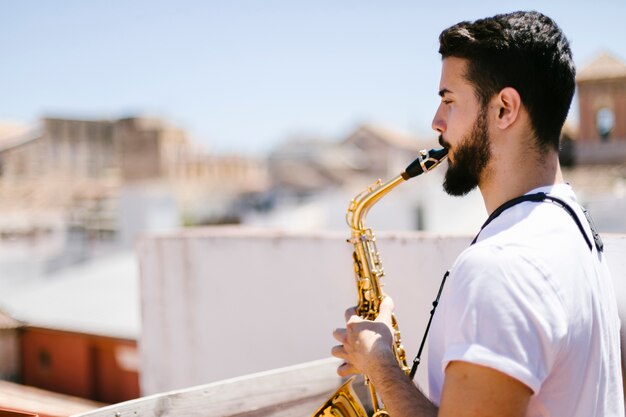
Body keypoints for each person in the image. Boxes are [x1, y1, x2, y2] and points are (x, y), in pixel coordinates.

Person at [331, 10, 624, 417]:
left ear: (505, 108)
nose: (436, 123)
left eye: (449, 101)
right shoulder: (573, 228)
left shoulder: (502, 266)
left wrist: (380, 363)